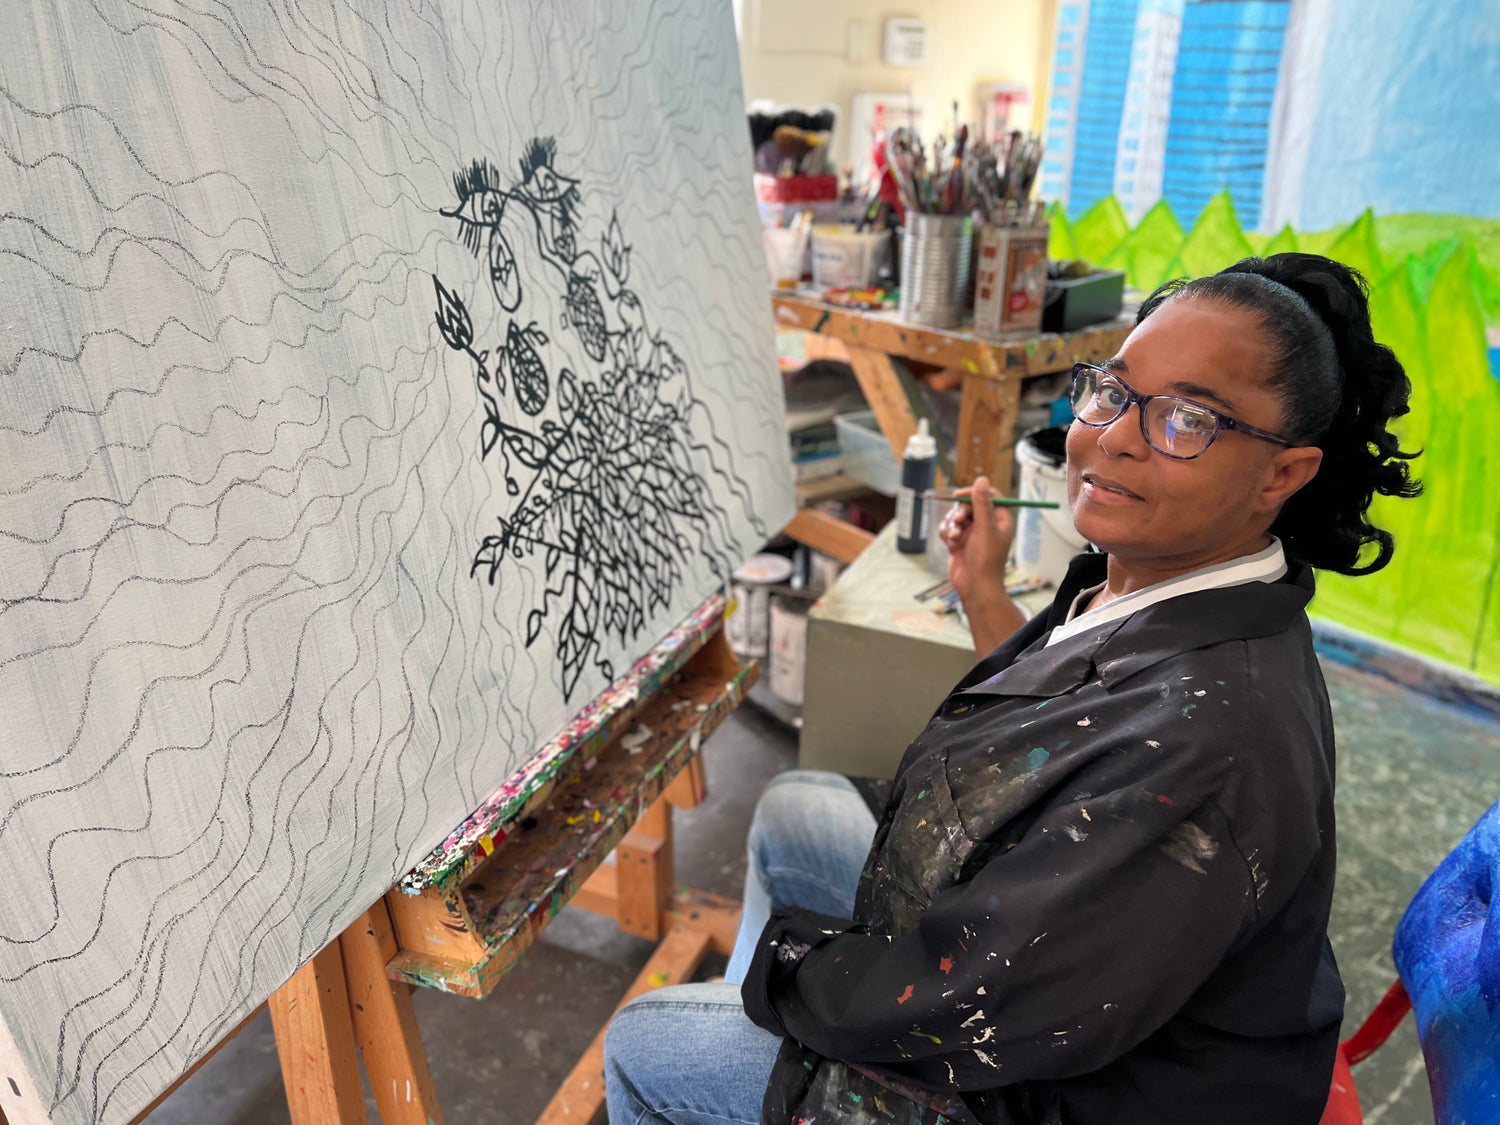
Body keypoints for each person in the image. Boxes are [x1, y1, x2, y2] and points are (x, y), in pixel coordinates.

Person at [603, 252, 1421, 1125]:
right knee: (798, 807)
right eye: (1111, 389)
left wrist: (794, 971)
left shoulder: (1214, 748)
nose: (1110, 436)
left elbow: (977, 1005)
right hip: (1060, 975)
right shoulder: (1161, 575)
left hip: (1087, 1088)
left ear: (1282, 475)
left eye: (1186, 419)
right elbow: (1065, 724)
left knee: (650, 1044)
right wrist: (983, 593)